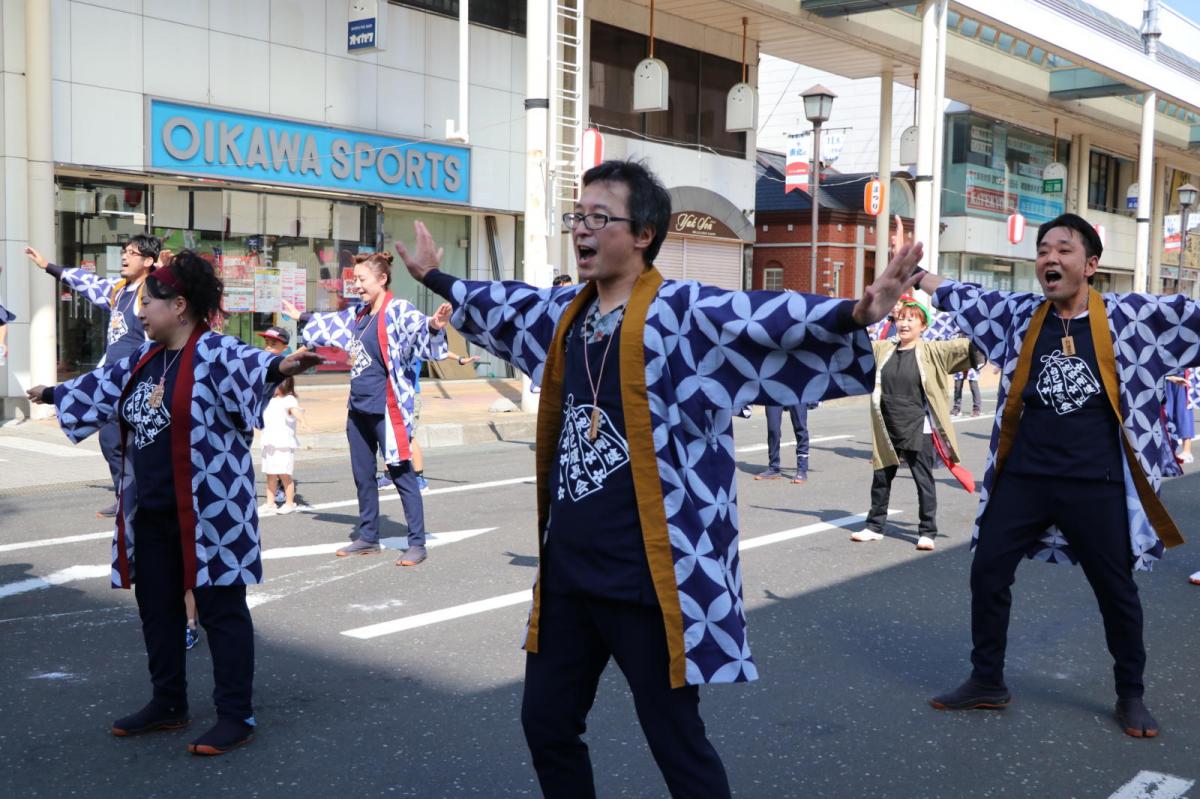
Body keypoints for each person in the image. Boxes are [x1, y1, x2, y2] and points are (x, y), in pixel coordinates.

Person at [395, 158, 924, 798]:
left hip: (651, 574)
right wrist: (436, 276)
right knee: (547, 724)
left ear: (643, 233)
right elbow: (506, 303)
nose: (581, 230)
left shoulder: (685, 314)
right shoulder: (566, 313)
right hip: (568, 573)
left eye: (599, 217)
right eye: (577, 216)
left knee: (674, 738)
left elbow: (762, 317)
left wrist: (855, 312)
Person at [916, 212, 1200, 738]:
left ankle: (1130, 695)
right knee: (988, 571)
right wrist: (917, 277)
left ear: (1090, 265)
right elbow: (966, 294)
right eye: (1044, 248)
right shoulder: (1021, 315)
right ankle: (986, 680)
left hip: (1096, 482)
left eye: (1064, 249)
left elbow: (1191, 317)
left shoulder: (1130, 317)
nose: (1050, 257)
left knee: (1115, 589)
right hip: (1024, 476)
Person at [26, 251, 321, 756]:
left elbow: (255, 363)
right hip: (153, 510)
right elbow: (103, 385)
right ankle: (168, 704)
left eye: (150, 303)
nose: (140, 312)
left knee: (221, 611)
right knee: (157, 609)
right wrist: (53, 393)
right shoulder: (144, 358)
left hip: (211, 511)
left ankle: (235, 715)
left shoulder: (216, 351)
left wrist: (281, 364)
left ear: (180, 305)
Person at [282, 252, 449, 567]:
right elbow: (331, 323)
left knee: (401, 473)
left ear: (382, 279)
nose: (356, 286)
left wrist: (434, 325)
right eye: (354, 280)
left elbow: (419, 327)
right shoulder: (358, 315)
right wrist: (301, 317)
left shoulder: (396, 310)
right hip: (358, 406)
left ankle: (417, 543)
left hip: (387, 407)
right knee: (362, 476)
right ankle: (369, 536)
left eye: (361, 279)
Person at [27, 235, 161, 517]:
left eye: (133, 253)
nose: (125, 257)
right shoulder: (120, 290)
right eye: (125, 251)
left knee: (141, 444)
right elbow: (88, 283)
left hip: (141, 381)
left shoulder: (151, 292)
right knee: (111, 440)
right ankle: (125, 494)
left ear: (148, 261)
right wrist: (48, 266)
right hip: (112, 380)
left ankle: (144, 497)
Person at [851, 298, 974, 551]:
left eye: (911, 319)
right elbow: (855, 345)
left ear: (923, 325)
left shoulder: (934, 351)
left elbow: (971, 347)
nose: (904, 324)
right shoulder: (883, 348)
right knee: (881, 478)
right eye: (901, 318)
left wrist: (980, 323)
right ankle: (874, 526)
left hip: (920, 424)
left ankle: (927, 530)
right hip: (887, 424)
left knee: (923, 479)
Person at [259, 376, 304, 516]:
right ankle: (270, 503)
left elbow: (294, 410)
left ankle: (290, 503)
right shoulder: (268, 400)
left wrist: (303, 420)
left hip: (283, 444)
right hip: (269, 443)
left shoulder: (289, 399)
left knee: (285, 475)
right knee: (270, 475)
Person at [753, 403, 812, 484]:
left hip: (796, 392)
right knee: (772, 429)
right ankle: (773, 468)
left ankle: (802, 469)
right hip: (774, 392)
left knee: (800, 427)